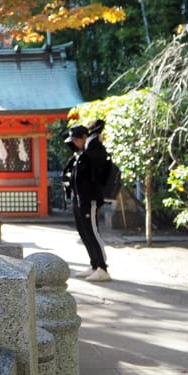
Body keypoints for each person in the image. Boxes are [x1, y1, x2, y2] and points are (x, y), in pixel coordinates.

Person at [62, 121, 111, 282]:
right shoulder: (81, 155)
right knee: (84, 233)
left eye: (77, 139)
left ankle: (102, 267)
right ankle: (94, 264)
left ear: (85, 137)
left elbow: (95, 143)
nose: (74, 143)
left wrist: (93, 135)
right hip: (79, 200)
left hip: (89, 199)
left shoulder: (93, 151)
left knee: (93, 232)